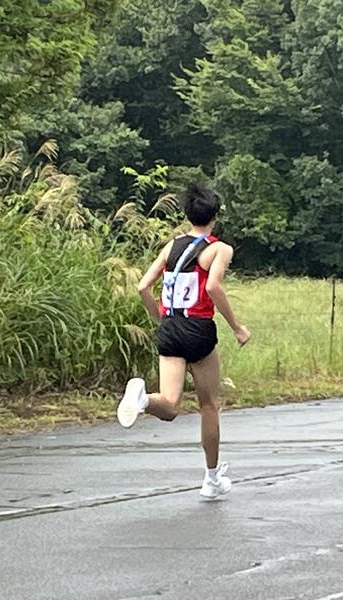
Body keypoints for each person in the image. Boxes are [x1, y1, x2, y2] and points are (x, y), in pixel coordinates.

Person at [116, 183, 251, 499]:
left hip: (171, 328)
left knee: (169, 405)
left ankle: (142, 400)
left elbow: (143, 287)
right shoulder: (219, 249)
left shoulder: (172, 246)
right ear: (214, 215)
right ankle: (211, 479)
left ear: (188, 215)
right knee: (209, 405)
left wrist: (161, 319)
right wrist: (237, 327)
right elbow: (213, 287)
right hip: (198, 328)